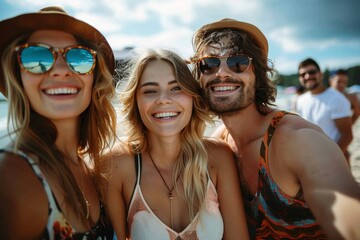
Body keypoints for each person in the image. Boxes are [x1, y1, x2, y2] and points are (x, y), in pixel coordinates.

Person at [190, 18, 360, 239]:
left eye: (238, 62)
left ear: (258, 75)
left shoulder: (297, 141)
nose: (221, 73)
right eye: (209, 64)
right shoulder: (219, 145)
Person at [103, 48, 249, 240]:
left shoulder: (218, 157)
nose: (163, 100)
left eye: (176, 88)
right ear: (135, 101)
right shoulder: (115, 164)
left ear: (192, 97)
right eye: (150, 91)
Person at [0, 6, 117, 239]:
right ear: (18, 76)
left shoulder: (93, 170)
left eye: (78, 57)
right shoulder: (11, 175)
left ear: (94, 77)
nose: (61, 70)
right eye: (36, 56)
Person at [296, 58, 353, 163]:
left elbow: (347, 135)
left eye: (312, 72)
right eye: (303, 74)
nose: (307, 76)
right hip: (310, 159)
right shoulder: (300, 100)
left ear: (321, 74)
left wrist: (329, 159)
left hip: (333, 161)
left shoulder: (336, 98)